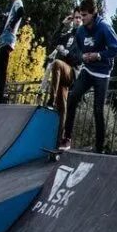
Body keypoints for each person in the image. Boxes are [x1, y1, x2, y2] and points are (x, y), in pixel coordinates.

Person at [60, 0, 117, 152]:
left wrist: (98, 55)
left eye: (85, 15)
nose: (82, 19)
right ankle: (67, 137)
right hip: (87, 71)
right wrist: (83, 56)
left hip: (102, 73)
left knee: (98, 109)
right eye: (81, 15)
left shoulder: (104, 27)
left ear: (94, 14)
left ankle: (99, 148)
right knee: (73, 97)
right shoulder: (81, 31)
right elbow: (77, 50)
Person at [45, 8, 82, 141]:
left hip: (72, 72)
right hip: (62, 75)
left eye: (79, 18)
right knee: (63, 107)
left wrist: (66, 52)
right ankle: (59, 139)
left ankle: (51, 100)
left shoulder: (83, 37)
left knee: (56, 64)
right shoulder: (69, 35)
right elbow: (54, 41)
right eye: (75, 18)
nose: (77, 20)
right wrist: (63, 24)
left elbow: (79, 59)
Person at [0, 0, 26, 103]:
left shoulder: (18, 2)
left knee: (1, 69)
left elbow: (21, 12)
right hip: (4, 40)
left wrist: (11, 25)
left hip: (8, 40)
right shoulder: (13, 4)